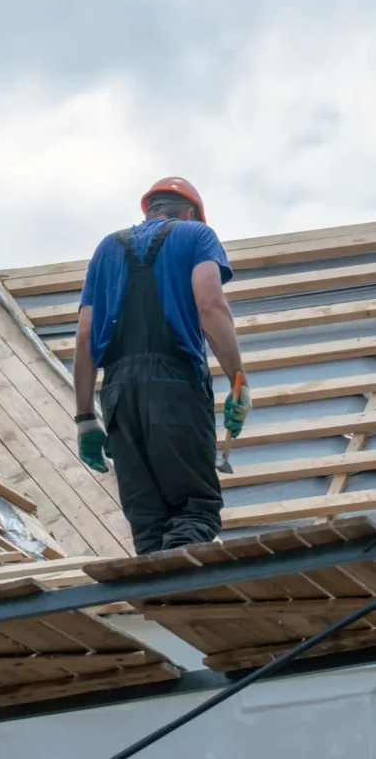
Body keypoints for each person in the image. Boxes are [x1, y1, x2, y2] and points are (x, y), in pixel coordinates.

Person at [73, 177, 252, 555]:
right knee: (194, 510)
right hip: (174, 385)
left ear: (151, 209)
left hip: (118, 393)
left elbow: (85, 337)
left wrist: (86, 417)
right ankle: (185, 599)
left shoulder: (107, 248)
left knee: (148, 522)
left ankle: (163, 603)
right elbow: (211, 307)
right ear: (190, 213)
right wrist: (238, 381)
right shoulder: (196, 235)